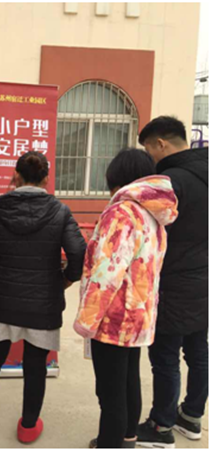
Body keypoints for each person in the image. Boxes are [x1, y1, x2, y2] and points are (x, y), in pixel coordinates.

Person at [0, 151, 86, 444]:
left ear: (16, 177)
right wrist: (67, 279)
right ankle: (28, 426)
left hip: (4, 300)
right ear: (46, 179)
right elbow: (77, 250)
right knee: (35, 366)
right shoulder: (60, 211)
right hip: (43, 304)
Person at [74, 148, 178, 449]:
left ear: (118, 179)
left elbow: (107, 273)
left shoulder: (121, 213)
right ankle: (128, 436)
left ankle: (111, 443)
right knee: (129, 378)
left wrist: (87, 321)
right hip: (138, 314)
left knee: (110, 391)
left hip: (113, 317)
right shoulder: (154, 215)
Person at [135, 117, 208, 448]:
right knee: (197, 349)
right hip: (203, 278)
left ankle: (161, 426)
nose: (150, 156)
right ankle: (191, 416)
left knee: (165, 356)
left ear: (161, 144)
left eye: (149, 149)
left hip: (172, 281)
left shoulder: (170, 182)